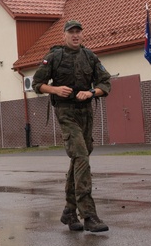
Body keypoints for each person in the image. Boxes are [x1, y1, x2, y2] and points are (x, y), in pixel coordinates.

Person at [31, 20, 112, 233]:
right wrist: (55, 90)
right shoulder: (54, 57)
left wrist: (92, 92)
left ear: (82, 35)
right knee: (81, 156)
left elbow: (105, 83)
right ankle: (89, 215)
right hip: (66, 112)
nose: (75, 36)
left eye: (78, 32)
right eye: (71, 32)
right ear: (64, 35)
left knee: (79, 159)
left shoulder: (90, 56)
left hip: (86, 112)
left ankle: (69, 211)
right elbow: (37, 84)